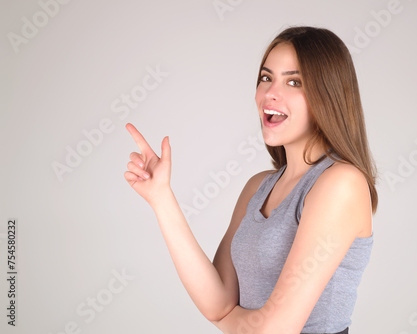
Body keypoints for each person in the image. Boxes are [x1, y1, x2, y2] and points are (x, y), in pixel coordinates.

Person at [124, 26, 378, 334]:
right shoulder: (258, 188)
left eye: (294, 82)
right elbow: (217, 300)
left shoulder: (341, 184)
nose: (271, 93)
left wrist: (224, 319)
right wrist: (161, 198)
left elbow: (273, 329)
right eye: (266, 78)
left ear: (328, 96)